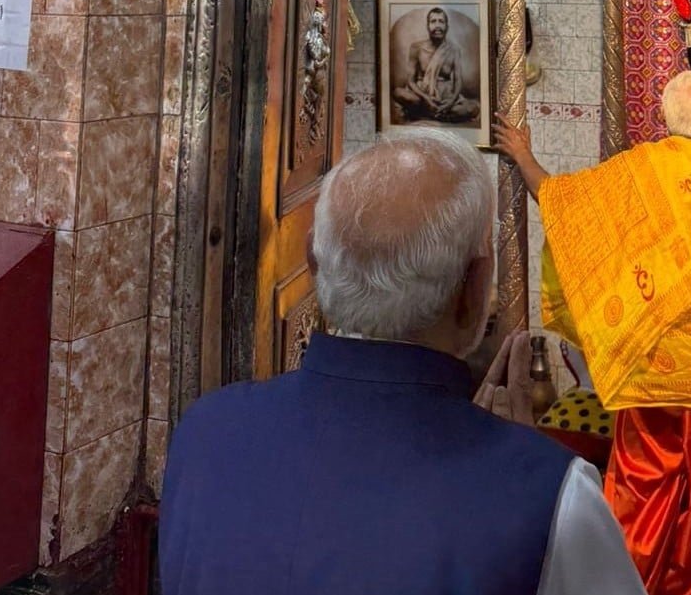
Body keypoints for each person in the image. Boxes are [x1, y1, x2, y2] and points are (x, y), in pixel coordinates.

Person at [158, 127, 647, 595]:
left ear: (313, 262)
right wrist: (515, 476)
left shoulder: (205, 432)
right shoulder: (553, 496)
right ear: (475, 290)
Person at [493, 70, 691, 595]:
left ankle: (631, 580)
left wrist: (524, 155)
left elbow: (562, 205)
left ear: (664, 119)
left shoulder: (641, 170)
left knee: (646, 487)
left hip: (660, 373)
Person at [392, 7, 481, 123]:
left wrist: (450, 102)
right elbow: (410, 81)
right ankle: (440, 114)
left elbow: (458, 81)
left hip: (444, 97)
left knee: (472, 108)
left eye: (441, 21)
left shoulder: (454, 50)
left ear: (447, 26)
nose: (437, 25)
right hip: (421, 96)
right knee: (398, 92)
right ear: (428, 26)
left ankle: (426, 112)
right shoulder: (416, 48)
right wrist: (426, 98)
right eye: (433, 21)